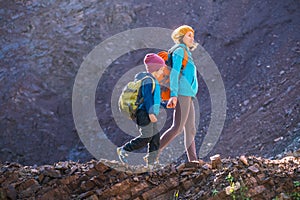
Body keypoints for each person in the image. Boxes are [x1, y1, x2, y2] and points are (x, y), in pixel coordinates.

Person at [159, 25, 199, 162]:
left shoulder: (186, 52)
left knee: (190, 129)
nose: (192, 37)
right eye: (188, 35)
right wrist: (174, 95)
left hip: (188, 94)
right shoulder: (179, 51)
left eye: (192, 35)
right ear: (181, 37)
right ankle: (153, 152)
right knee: (178, 127)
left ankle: (193, 161)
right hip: (182, 93)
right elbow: (174, 73)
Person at [117, 53, 164, 166]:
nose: (163, 72)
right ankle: (124, 149)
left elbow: (154, 100)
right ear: (155, 69)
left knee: (155, 138)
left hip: (148, 112)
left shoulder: (153, 81)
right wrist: (151, 113)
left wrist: (166, 104)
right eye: (161, 69)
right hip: (143, 113)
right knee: (147, 136)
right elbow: (147, 98)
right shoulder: (147, 81)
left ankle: (152, 162)